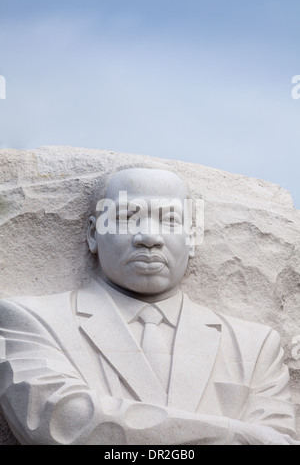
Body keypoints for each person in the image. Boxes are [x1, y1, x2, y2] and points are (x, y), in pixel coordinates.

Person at [0, 167, 298, 445]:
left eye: (169, 220)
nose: (149, 237)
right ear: (93, 234)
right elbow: (65, 419)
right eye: (128, 217)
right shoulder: (31, 320)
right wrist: (233, 433)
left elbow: (278, 439)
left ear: (192, 236)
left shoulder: (254, 346)